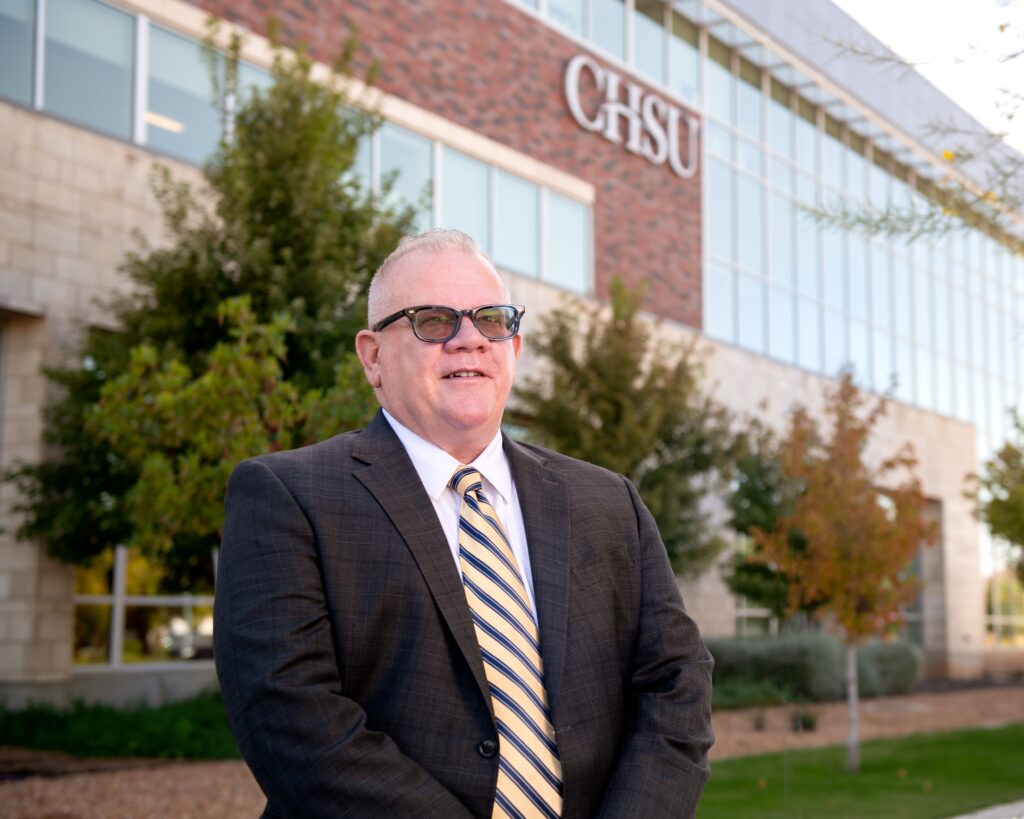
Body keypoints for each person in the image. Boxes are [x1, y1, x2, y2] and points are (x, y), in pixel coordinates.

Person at [214, 228, 714, 819]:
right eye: (433, 321)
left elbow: (675, 686)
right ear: (373, 357)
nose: (469, 341)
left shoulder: (609, 501)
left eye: (492, 320)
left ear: (515, 348)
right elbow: (292, 721)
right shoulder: (287, 497)